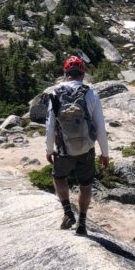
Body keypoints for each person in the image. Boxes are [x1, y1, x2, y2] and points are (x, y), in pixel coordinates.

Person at [45, 55, 109, 236]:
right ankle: (82, 222)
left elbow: (50, 126)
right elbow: (100, 127)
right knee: (85, 185)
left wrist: (49, 149)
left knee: (59, 178)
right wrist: (105, 153)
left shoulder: (55, 93)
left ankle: (67, 212)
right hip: (87, 149)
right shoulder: (91, 93)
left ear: (65, 73)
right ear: (83, 73)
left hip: (63, 148)